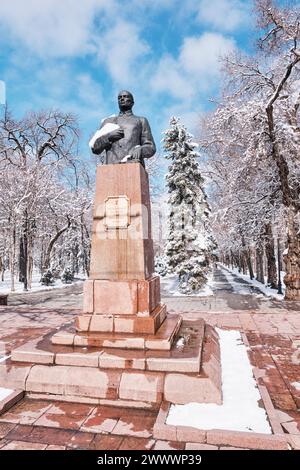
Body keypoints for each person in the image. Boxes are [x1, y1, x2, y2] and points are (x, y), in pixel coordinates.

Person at [91, 90, 156, 167]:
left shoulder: (141, 120)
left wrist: (141, 150)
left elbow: (151, 147)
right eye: (119, 97)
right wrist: (108, 137)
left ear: (132, 102)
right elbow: (94, 147)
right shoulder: (108, 122)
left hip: (133, 165)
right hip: (111, 168)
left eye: (125, 97)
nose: (122, 99)